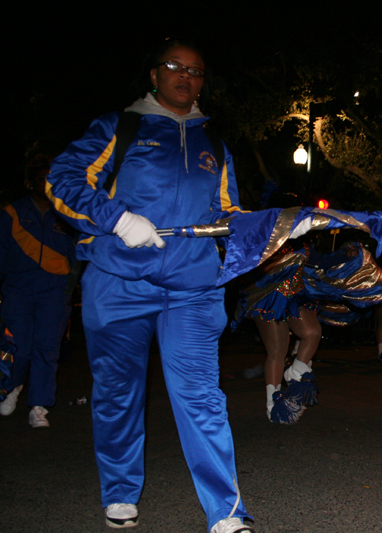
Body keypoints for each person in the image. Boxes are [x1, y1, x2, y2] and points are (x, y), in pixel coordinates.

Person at [46, 40, 253, 532]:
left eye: (197, 70)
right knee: (118, 392)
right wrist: (116, 219)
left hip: (192, 287)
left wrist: (276, 229)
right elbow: (62, 179)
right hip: (118, 282)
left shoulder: (215, 144)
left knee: (201, 394)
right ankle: (119, 491)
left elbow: (229, 213)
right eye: (175, 67)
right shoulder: (120, 126)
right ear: (154, 75)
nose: (187, 76)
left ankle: (226, 512)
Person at [0, 155, 76, 427]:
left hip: (54, 292)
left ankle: (39, 406)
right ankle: (12, 388)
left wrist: (70, 287)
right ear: (30, 182)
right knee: (18, 348)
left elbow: (78, 255)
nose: (45, 183)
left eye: (49, 178)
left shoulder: (67, 215)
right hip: (18, 290)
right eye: (39, 178)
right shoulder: (12, 213)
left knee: (47, 348)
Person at [232, 242, 322, 424]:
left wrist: (353, 256)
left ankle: (296, 371)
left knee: (312, 332)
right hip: (267, 300)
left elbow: (324, 261)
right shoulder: (266, 242)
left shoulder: (304, 246)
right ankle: (273, 402)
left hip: (294, 298)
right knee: (277, 352)